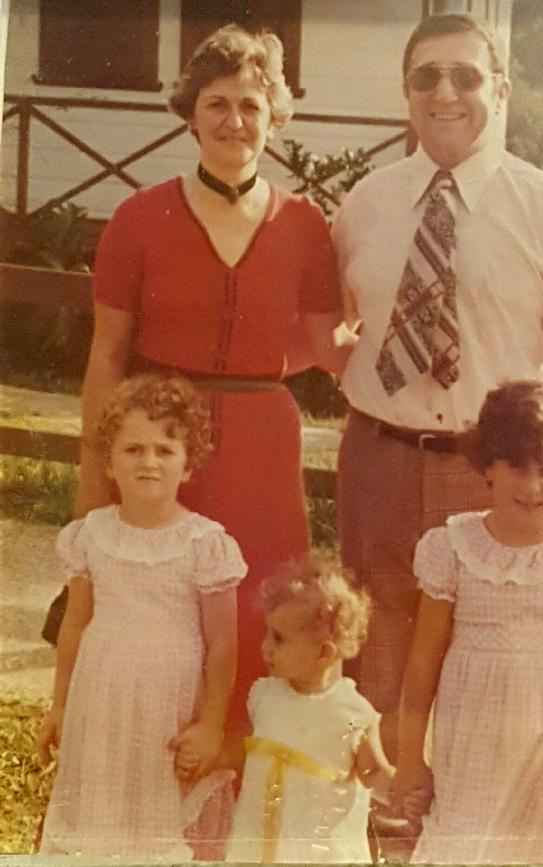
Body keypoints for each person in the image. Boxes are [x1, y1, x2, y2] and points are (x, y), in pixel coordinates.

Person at [331, 12, 543, 758]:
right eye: (426, 76)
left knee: (486, 652)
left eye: (466, 75)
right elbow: (329, 323)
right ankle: (386, 807)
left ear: (502, 88)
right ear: (406, 92)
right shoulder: (365, 202)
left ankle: (469, 813)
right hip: (382, 458)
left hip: (495, 470)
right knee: (380, 643)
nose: (445, 92)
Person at [72, 24, 347, 736]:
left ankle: (244, 794)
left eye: (252, 105)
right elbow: (107, 355)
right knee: (156, 607)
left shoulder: (306, 224)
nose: (235, 121)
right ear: (191, 113)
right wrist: (96, 472)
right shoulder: (138, 218)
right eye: (218, 103)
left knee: (266, 606)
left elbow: (325, 343)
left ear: (274, 118)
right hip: (163, 439)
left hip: (263, 443)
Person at [393, 379, 543, 864]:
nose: (532, 486)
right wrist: (411, 758)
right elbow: (421, 666)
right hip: (472, 736)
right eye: (516, 468)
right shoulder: (453, 547)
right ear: (487, 466)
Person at [36, 375, 248, 858]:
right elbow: (75, 624)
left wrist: (212, 726)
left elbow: (223, 647)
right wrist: (61, 705)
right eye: (132, 450)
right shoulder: (91, 535)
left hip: (168, 705)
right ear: (109, 460)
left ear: (188, 464)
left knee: (156, 819)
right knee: (100, 812)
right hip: (101, 698)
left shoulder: (204, 543)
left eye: (164, 450)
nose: (148, 462)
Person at [226, 560, 395, 863]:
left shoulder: (351, 712)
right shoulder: (265, 696)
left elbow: (374, 774)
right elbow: (242, 751)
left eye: (278, 638)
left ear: (324, 653)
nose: (265, 647)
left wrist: (401, 789)